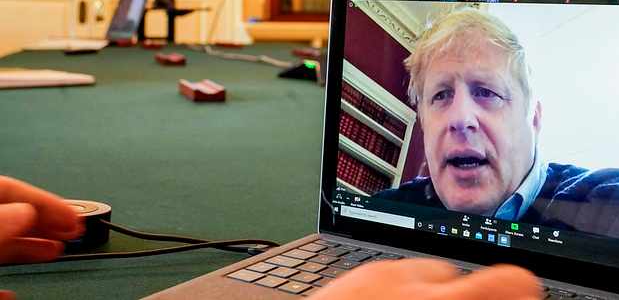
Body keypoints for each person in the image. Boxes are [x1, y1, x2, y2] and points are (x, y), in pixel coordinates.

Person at [375, 8, 619, 256]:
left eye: (486, 92)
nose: (460, 117)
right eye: (441, 95)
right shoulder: (385, 212)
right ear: (423, 122)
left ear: (534, 119)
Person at [0, 176, 541, 300]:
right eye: (441, 94)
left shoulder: (615, 198)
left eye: (491, 93)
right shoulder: (393, 199)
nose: (462, 117)